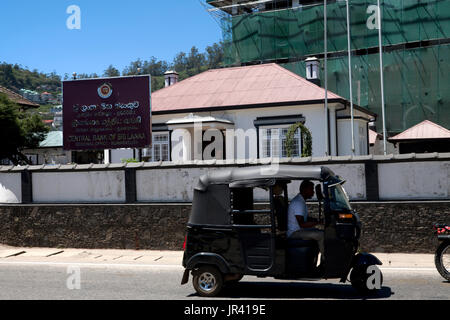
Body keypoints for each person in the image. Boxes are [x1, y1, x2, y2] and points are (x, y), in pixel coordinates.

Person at [287, 180, 324, 265]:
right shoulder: (298, 203)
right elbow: (302, 224)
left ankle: (314, 259)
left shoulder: (301, 201)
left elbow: (305, 218)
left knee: (318, 230)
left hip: (299, 230)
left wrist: (315, 221)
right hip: (295, 233)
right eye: (311, 189)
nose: (313, 192)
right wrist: (318, 222)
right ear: (305, 190)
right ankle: (325, 261)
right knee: (321, 235)